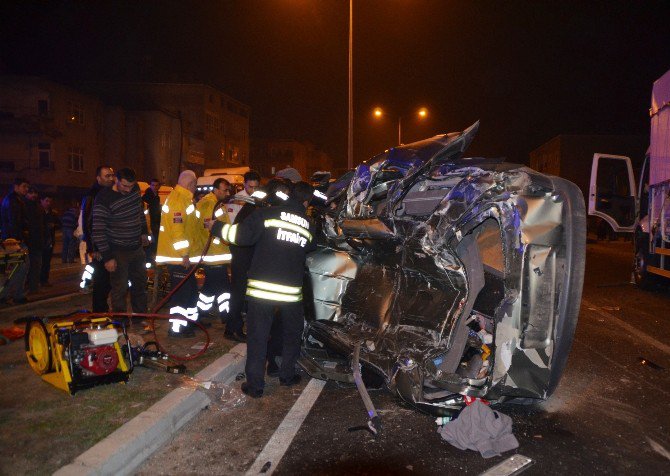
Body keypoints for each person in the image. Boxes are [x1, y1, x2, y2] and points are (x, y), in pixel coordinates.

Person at [211, 181, 316, 398]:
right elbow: (311, 247)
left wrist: (215, 226)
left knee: (258, 337)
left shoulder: (267, 214)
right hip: (291, 293)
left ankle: (256, 386)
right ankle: (287, 376)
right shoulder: (308, 224)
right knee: (291, 335)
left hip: (262, 290)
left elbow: (240, 237)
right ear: (306, 203)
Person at [92, 167, 149, 316]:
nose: (128, 190)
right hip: (117, 250)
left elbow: (139, 212)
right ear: (115, 180)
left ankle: (140, 317)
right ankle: (120, 320)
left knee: (140, 284)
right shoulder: (103, 198)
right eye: (124, 185)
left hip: (136, 248)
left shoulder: (135, 190)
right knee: (120, 287)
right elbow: (98, 230)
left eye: (131, 186)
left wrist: (143, 232)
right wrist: (108, 257)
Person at [156, 170, 199, 337]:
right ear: (191, 184)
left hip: (181, 257)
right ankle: (176, 329)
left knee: (189, 293)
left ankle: (188, 324)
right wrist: (184, 254)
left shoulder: (183, 198)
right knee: (181, 295)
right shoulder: (178, 200)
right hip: (178, 259)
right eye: (195, 185)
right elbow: (177, 230)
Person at [226, 170, 262, 342]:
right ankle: (233, 328)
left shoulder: (259, 198)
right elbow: (234, 227)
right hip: (240, 249)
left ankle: (234, 326)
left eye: (256, 187)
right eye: (250, 187)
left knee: (245, 290)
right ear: (244, 185)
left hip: (251, 249)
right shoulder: (237, 201)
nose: (253, 190)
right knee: (238, 290)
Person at [193, 178, 233, 325]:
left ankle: (200, 314)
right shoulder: (211, 204)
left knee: (209, 289)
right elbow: (211, 229)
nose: (227, 193)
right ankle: (227, 316)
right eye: (225, 190)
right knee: (224, 290)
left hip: (213, 254)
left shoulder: (208, 203)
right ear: (216, 189)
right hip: (215, 255)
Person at [81, 166, 115, 311]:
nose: (110, 178)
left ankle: (103, 309)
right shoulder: (92, 195)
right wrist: (94, 248)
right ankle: (99, 312)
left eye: (111, 175)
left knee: (109, 281)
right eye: (107, 176)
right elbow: (89, 223)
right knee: (101, 281)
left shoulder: (111, 193)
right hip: (100, 246)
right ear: (98, 178)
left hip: (112, 244)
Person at [0, 177, 30, 303]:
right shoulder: (13, 201)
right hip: (13, 240)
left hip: (12, 239)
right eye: (24, 186)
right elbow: (14, 222)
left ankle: (6, 294)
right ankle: (17, 295)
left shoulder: (14, 199)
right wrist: (16, 240)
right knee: (22, 266)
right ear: (16, 187)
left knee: (14, 268)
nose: (26, 189)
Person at [24, 187, 45, 293]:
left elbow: (41, 225)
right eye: (30, 193)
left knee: (36, 266)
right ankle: (27, 287)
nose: (33, 195)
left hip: (37, 241)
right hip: (28, 241)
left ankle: (33, 287)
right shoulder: (23, 205)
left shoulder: (38, 206)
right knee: (26, 267)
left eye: (35, 193)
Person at [40, 194, 59, 286]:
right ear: (41, 201)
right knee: (39, 262)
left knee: (46, 262)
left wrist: (54, 225)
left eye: (50, 201)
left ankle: (44, 280)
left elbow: (59, 224)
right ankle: (35, 280)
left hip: (49, 240)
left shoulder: (53, 213)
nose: (48, 203)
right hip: (40, 240)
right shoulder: (38, 212)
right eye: (46, 201)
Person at [142, 178, 161, 263]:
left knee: (155, 241)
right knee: (151, 242)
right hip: (150, 222)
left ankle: (152, 258)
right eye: (153, 185)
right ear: (150, 185)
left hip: (156, 222)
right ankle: (150, 260)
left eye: (156, 185)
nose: (155, 187)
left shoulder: (157, 196)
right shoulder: (147, 197)